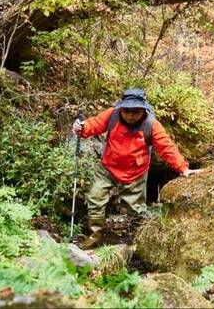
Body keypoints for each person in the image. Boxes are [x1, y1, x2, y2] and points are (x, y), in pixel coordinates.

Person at [72, 88, 198, 249]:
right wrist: (82, 128)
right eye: (127, 111)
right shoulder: (112, 115)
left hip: (135, 173)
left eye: (135, 112)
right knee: (95, 197)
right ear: (121, 108)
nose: (130, 115)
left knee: (136, 210)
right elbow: (94, 124)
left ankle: (135, 241)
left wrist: (183, 168)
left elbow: (166, 147)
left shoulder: (151, 125)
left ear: (143, 110)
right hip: (108, 167)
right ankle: (95, 236)